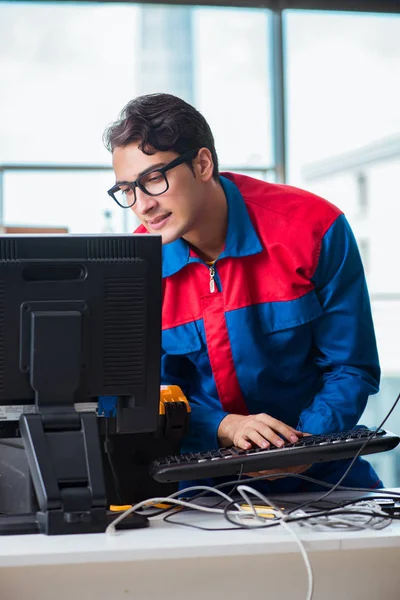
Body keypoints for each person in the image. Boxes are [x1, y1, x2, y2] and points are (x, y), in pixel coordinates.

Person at [103, 92, 383, 493]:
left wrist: (296, 448)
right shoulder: (136, 269)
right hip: (202, 484)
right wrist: (224, 426)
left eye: (153, 179)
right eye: (127, 189)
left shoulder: (314, 229)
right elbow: (139, 396)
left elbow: (351, 367)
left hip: (325, 474)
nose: (142, 206)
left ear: (202, 163)